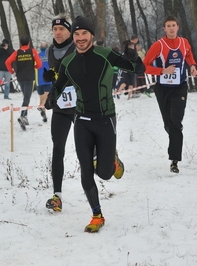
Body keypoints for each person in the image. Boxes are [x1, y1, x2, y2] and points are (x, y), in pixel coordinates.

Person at [45, 16, 144, 232]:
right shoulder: (68, 63)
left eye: (84, 34)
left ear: (91, 35)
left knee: (105, 174)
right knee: (86, 170)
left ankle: (113, 162)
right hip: (82, 120)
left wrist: (133, 56)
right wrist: (52, 95)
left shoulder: (105, 54)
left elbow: (138, 69)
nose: (80, 38)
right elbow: (60, 83)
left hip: (105, 119)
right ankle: (97, 215)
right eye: (77, 34)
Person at [143, 15, 197, 173]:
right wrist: (162, 71)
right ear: (164, 28)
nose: (172, 28)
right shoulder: (158, 45)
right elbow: (145, 66)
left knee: (176, 123)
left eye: (174, 25)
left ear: (178, 27)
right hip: (163, 88)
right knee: (168, 124)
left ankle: (174, 160)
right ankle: (174, 137)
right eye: (168, 26)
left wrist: (192, 65)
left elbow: (188, 55)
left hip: (179, 87)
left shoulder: (184, 42)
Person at [42, 13, 76, 212]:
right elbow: (56, 74)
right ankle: (57, 195)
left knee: (89, 148)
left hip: (81, 105)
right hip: (62, 106)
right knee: (58, 148)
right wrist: (50, 76)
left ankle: (109, 158)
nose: (58, 32)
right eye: (55, 30)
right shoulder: (51, 50)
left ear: (69, 31)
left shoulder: (77, 46)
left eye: (61, 29)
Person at [5, 35, 42, 131]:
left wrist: (12, 71)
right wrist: (35, 68)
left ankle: (25, 116)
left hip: (20, 77)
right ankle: (22, 116)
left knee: (26, 97)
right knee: (27, 98)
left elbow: (7, 62)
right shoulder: (32, 51)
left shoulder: (17, 52)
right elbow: (39, 64)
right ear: (29, 43)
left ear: (20, 43)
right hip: (29, 77)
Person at [35, 41, 51, 123]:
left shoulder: (37, 56)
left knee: (42, 98)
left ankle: (44, 114)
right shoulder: (50, 55)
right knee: (46, 97)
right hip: (48, 80)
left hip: (39, 80)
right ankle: (42, 108)